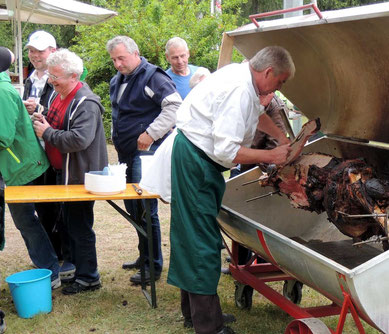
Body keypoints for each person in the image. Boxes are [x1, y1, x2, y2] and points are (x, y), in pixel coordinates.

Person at [142, 45, 295, 333]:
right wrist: (271, 156)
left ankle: (195, 313)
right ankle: (208, 326)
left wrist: (279, 135)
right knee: (201, 242)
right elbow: (227, 151)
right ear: (268, 72)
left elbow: (256, 112)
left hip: (196, 159)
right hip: (196, 162)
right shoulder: (238, 88)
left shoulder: (242, 75)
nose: (280, 86)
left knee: (191, 235)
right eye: (281, 81)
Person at [106, 35, 181, 284]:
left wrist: (151, 133)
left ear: (135, 53)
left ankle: (153, 266)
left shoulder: (153, 77)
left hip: (146, 154)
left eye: (121, 58)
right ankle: (144, 256)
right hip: (125, 153)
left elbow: (174, 107)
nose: (117, 64)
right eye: (114, 59)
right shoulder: (119, 79)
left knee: (147, 210)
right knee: (133, 208)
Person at [33, 49, 108, 295]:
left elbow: (79, 140)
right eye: (50, 75)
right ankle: (77, 270)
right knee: (68, 225)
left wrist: (47, 132)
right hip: (62, 174)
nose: (51, 81)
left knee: (79, 227)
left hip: (79, 176)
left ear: (74, 76)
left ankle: (89, 278)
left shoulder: (86, 103)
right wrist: (41, 117)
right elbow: (57, 123)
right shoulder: (59, 94)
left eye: (56, 76)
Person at [0, 46, 61, 289]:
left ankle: (51, 270)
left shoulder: (3, 92)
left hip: (21, 166)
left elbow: (3, 137)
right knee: (25, 220)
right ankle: (48, 265)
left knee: (26, 220)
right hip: (13, 166)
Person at [22, 30, 75, 280]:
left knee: (59, 207)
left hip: (56, 151)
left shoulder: (63, 76)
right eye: (31, 51)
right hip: (37, 152)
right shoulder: (30, 79)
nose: (34, 56)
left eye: (39, 51)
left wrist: (39, 109)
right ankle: (53, 255)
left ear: (53, 51)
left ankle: (65, 256)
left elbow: (63, 115)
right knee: (43, 206)